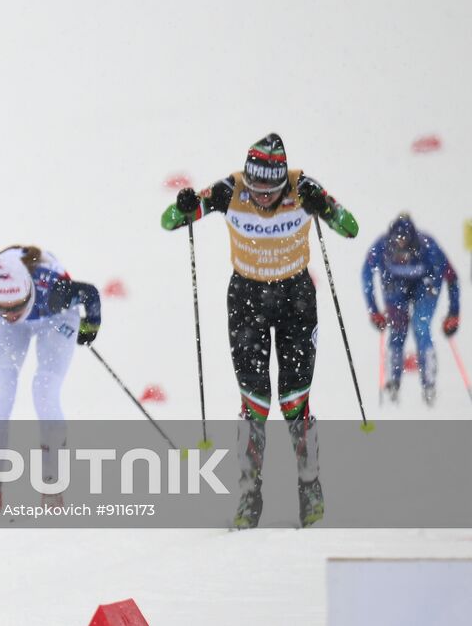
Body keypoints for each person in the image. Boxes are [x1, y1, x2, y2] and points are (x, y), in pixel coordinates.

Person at [160, 133, 358, 529]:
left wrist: (326, 206)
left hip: (295, 298)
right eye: (255, 188)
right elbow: (169, 221)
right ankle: (249, 494)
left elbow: (349, 228)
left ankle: (309, 486)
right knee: (254, 401)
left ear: (283, 180)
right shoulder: (230, 189)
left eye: (269, 189)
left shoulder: (302, 188)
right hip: (247, 298)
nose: (261, 197)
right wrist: (183, 206)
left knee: (293, 399)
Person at [0, 246, 101, 508]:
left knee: (44, 388)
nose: (11, 314)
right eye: (3, 307)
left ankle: (52, 484)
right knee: (1, 393)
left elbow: (90, 295)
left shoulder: (53, 288)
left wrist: (90, 328)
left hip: (53, 314)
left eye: (16, 307)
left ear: (27, 292)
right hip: (13, 322)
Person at [362, 213, 460, 405]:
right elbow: (366, 274)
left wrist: (454, 312)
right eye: (396, 246)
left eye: (405, 246)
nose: (400, 251)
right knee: (397, 329)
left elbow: (451, 277)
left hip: (426, 285)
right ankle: (393, 381)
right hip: (395, 285)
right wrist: (373, 310)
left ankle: (429, 383)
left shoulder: (429, 248)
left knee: (420, 326)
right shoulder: (381, 247)